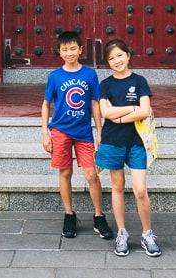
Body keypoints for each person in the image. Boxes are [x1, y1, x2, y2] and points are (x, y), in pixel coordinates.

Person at [41, 29, 115, 240]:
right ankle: (69, 214)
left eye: (73, 48)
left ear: (81, 50)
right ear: (59, 52)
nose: (70, 53)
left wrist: (100, 131)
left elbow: (94, 103)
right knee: (65, 173)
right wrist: (44, 133)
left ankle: (99, 217)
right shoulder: (55, 76)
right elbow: (46, 105)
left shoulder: (89, 74)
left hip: (84, 132)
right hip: (60, 130)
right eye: (65, 49)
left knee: (92, 174)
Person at [95, 39, 161, 257]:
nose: (117, 61)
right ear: (108, 62)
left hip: (137, 143)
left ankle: (147, 233)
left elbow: (144, 111)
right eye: (112, 58)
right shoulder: (105, 85)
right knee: (118, 186)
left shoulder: (140, 81)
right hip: (113, 141)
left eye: (120, 55)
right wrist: (131, 109)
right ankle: (122, 232)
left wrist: (121, 115)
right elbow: (105, 113)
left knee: (140, 190)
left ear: (128, 55)